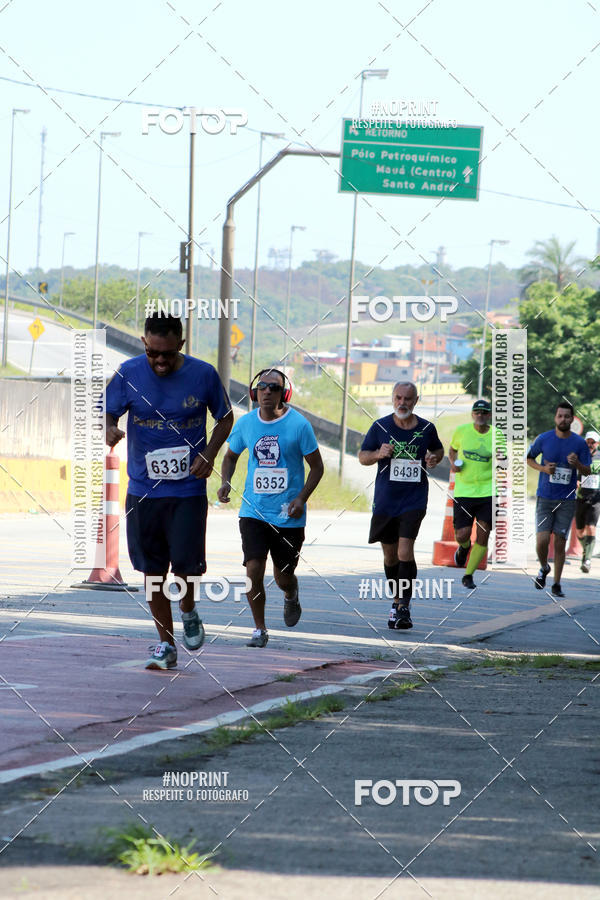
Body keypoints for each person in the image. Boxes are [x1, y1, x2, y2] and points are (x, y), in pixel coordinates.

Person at [105, 313, 233, 669]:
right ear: (144, 344)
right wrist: (109, 428)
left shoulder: (203, 374)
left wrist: (209, 454)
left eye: (168, 354)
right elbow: (107, 412)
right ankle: (165, 644)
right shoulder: (128, 373)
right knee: (152, 572)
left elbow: (225, 418)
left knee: (186, 568)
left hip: (188, 489)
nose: (160, 361)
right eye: (153, 353)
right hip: (144, 490)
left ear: (181, 344)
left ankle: (189, 609)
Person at [217, 368, 323, 648]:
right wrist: (226, 482)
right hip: (254, 511)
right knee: (253, 569)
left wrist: (301, 498)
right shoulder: (246, 424)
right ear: (254, 392)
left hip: (289, 516)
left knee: (282, 577)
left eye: (273, 388)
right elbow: (230, 457)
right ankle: (259, 629)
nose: (266, 392)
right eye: (261, 387)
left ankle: (291, 594)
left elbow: (317, 467)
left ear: (283, 393)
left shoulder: (299, 425)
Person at [358, 381, 444, 630]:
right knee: (390, 555)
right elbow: (363, 456)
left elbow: (438, 450)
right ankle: (396, 602)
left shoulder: (427, 428)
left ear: (416, 401)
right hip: (386, 500)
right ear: (392, 398)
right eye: (398, 398)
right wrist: (378, 454)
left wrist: (433, 457)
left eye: (408, 399)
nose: (402, 403)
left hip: (414, 498)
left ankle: (403, 605)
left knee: (405, 551)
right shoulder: (380, 426)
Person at [527, 402, 591, 597]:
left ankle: (556, 584)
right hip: (545, 496)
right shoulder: (544, 439)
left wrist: (577, 464)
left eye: (567, 416)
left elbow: (587, 470)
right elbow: (529, 459)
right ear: (555, 418)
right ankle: (544, 567)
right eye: (560, 416)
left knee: (560, 542)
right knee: (542, 540)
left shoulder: (579, 443)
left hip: (567, 499)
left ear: (572, 419)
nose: (563, 419)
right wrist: (544, 469)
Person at [448, 399, 496, 590]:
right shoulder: (462, 431)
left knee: (484, 534)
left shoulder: (497, 435)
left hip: (487, 491)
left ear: (489, 415)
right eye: (477, 412)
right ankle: (464, 546)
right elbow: (452, 450)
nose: (480, 415)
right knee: (462, 533)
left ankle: (469, 575)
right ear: (472, 414)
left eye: (484, 412)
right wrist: (453, 462)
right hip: (464, 491)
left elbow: (504, 459)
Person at [575, 430, 600, 573]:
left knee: (591, 527)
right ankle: (587, 550)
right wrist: (576, 481)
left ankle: (587, 560)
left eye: (593, 442)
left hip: (596, 498)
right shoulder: (579, 455)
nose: (590, 444)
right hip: (580, 497)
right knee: (579, 532)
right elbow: (574, 472)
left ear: (597, 443)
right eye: (588, 442)